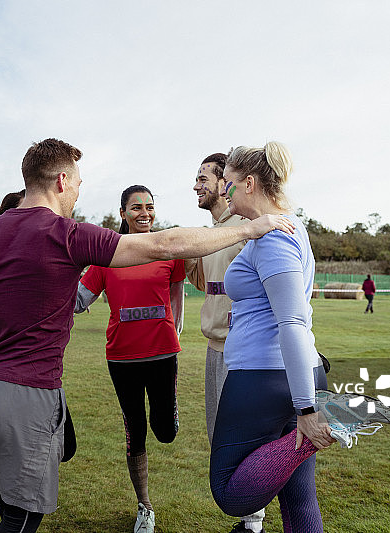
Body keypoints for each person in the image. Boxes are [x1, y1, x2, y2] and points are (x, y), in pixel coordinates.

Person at [0, 138, 291, 533]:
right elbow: (163, 244)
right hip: (27, 394)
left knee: (36, 463)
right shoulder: (67, 235)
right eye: (77, 182)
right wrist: (248, 229)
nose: (77, 191)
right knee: (19, 515)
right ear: (60, 182)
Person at [208, 141, 337, 532]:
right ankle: (317, 427)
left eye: (227, 184)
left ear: (249, 183)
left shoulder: (275, 237)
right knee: (299, 498)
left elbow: (293, 322)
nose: (222, 191)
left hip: (265, 379)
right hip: (291, 376)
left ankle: (332, 425)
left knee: (231, 493)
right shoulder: (281, 228)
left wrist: (308, 410)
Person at [74, 185, 186, 533]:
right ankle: (145, 506)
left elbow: (176, 291)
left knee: (164, 432)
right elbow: (79, 299)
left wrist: (175, 329)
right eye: (136, 207)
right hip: (122, 358)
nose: (144, 213)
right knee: (135, 431)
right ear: (122, 213)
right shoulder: (108, 253)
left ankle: (168, 412)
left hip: (163, 353)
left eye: (149, 207)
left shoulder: (169, 249)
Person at [185, 153, 269, 533]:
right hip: (213, 348)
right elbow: (208, 287)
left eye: (204, 178)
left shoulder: (245, 227)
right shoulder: (214, 231)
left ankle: (252, 523)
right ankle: (249, 518)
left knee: (242, 438)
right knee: (220, 436)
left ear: (225, 183)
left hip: (242, 354)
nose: (196, 186)